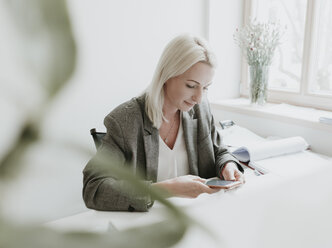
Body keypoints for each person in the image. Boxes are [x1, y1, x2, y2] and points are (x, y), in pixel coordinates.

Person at [83, 34, 245, 212]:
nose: (199, 98)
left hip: (197, 216)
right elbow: (94, 188)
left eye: (205, 87)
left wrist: (227, 165)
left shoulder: (200, 109)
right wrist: (166, 190)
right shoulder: (125, 121)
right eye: (191, 86)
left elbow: (219, 151)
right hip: (150, 227)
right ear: (167, 75)